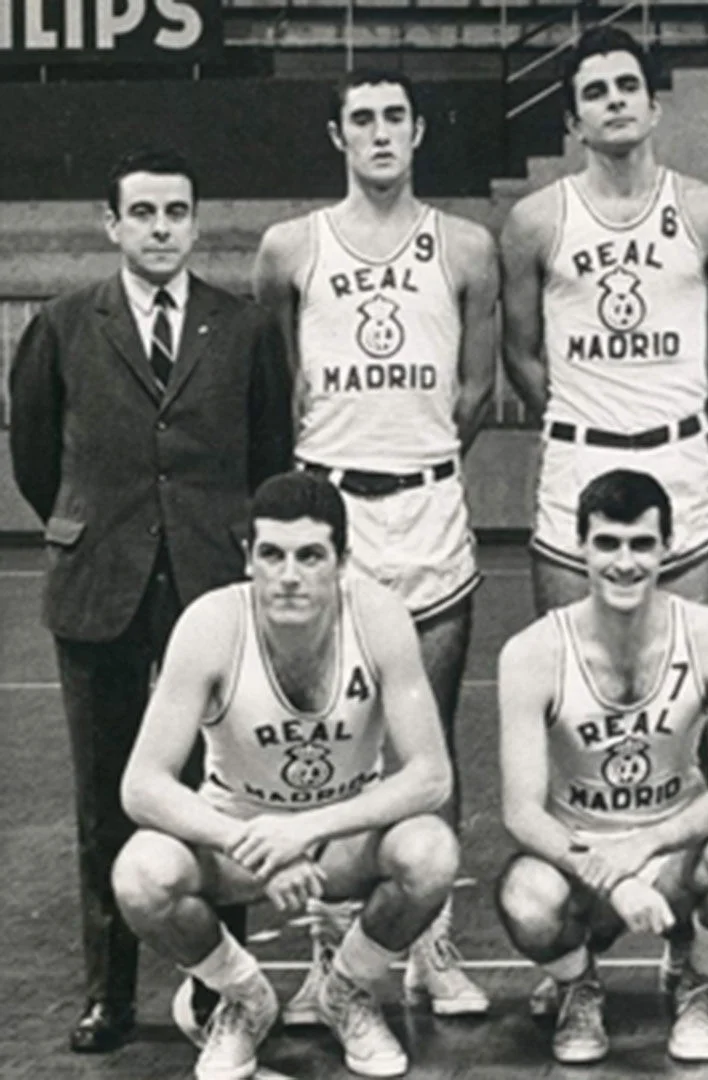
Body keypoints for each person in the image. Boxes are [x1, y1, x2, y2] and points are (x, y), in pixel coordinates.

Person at [8, 147, 294, 1054]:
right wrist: (94, 528)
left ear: (196, 223)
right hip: (100, 587)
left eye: (177, 212)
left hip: (213, 586)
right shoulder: (61, 324)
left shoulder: (243, 327)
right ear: (112, 225)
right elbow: (36, 457)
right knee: (106, 798)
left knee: (224, 793)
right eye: (144, 214)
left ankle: (224, 993)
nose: (162, 228)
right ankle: (108, 992)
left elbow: (271, 455)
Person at [252, 69, 497, 1019]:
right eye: (364, 118)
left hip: (430, 511)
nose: (381, 132)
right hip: (331, 522)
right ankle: (328, 956)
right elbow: (281, 387)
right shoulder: (290, 248)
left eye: (396, 116)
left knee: (425, 738)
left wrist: (415, 460)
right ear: (337, 134)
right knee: (331, 746)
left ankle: (431, 945)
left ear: (420, 131)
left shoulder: (466, 246)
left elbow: (475, 392)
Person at [109, 471, 461, 1080]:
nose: (289, 574)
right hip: (239, 835)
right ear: (249, 558)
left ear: (342, 562)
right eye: (271, 554)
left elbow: (431, 777)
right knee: (141, 876)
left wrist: (304, 832)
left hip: (342, 836)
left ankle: (346, 990)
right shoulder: (211, 624)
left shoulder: (378, 618)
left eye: (309, 556)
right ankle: (243, 998)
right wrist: (260, 843)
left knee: (431, 853)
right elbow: (142, 785)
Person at [494, 470, 708, 1064]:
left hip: (674, 854)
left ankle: (700, 980)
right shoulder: (531, 652)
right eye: (608, 544)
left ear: (667, 547)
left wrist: (646, 847)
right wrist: (612, 876)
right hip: (583, 861)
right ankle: (578, 987)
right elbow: (520, 812)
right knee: (525, 897)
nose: (625, 563)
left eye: (641, 544)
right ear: (580, 547)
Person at [501, 26, 708, 612]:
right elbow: (521, 355)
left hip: (677, 454)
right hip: (578, 455)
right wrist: (582, 413)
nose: (615, 99)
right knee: (574, 669)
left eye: (628, 86)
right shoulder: (535, 220)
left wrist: (665, 406)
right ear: (573, 123)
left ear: (654, 107)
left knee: (689, 668)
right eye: (597, 91)